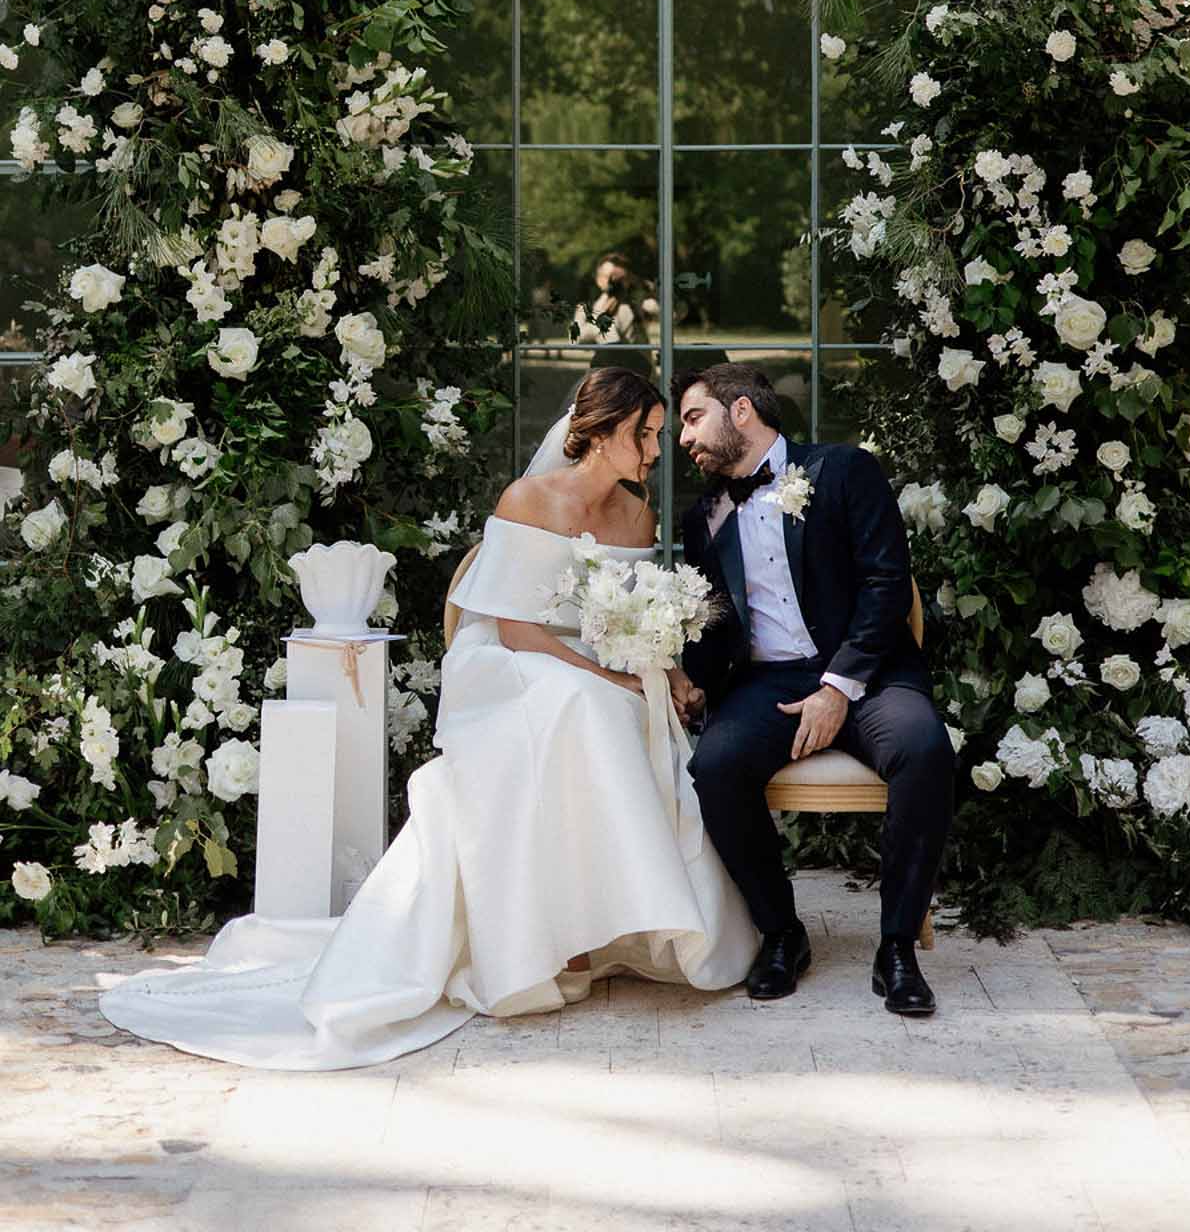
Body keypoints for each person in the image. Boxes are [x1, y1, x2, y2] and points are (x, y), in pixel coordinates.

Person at [98, 367, 758, 1069]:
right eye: (645, 435)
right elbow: (515, 631)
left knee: (612, 708)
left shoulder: (636, 516)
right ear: (599, 434)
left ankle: (601, 923)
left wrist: (660, 670)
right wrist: (611, 677)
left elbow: (629, 622)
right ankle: (545, 941)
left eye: (659, 436)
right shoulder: (529, 500)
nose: (656, 452)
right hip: (507, 660)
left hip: (589, 664)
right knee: (586, 704)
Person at [670, 362, 955, 1017]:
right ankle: (780, 932)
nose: (683, 439)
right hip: (765, 684)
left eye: (692, 418)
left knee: (924, 751)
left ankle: (896, 948)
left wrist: (837, 687)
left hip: (870, 672)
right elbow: (714, 625)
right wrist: (684, 674)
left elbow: (887, 585)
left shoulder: (843, 470)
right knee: (714, 767)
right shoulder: (705, 516)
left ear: (741, 410)